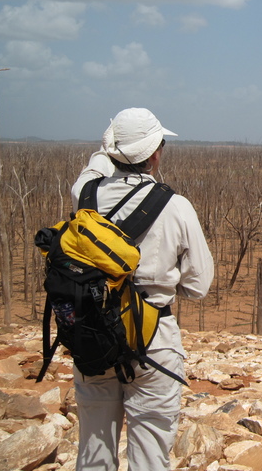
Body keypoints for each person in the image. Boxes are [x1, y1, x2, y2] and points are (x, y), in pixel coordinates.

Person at [69, 107, 214, 471]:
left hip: (94, 335)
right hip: (153, 337)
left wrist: (110, 146)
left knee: (93, 449)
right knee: (150, 454)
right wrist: (162, 285)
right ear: (155, 153)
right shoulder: (176, 207)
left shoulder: (84, 196)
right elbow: (199, 285)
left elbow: (95, 166)